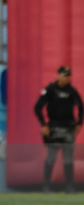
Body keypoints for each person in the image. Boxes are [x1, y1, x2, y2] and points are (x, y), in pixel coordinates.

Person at [34, 66, 83, 194]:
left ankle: (69, 186)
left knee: (68, 158)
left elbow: (81, 106)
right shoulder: (50, 90)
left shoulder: (72, 91)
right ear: (58, 75)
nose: (66, 78)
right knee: (51, 156)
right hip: (54, 127)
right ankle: (46, 186)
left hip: (68, 128)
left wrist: (79, 123)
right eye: (64, 75)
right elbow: (38, 107)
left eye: (68, 75)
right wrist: (43, 124)